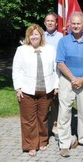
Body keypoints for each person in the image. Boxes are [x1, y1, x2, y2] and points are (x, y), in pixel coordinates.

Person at [12, 24, 59, 157]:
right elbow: (17, 70)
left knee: (43, 117)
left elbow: (56, 69)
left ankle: (43, 140)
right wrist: (18, 88)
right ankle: (31, 145)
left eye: (36, 34)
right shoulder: (21, 50)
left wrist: (56, 85)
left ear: (41, 36)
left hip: (46, 90)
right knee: (28, 119)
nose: (34, 36)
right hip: (27, 90)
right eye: (31, 34)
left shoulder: (50, 49)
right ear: (28, 36)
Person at [56, 12, 83, 157]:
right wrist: (73, 78)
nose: (76, 26)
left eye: (78, 23)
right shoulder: (63, 41)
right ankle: (64, 143)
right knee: (65, 112)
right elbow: (60, 62)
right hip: (67, 80)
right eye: (73, 23)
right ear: (69, 25)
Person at [44, 12, 63, 140]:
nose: (50, 22)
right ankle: (43, 127)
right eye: (48, 20)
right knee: (44, 101)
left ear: (56, 23)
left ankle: (56, 125)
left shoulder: (61, 36)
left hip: (57, 73)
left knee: (56, 101)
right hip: (44, 73)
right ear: (45, 23)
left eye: (52, 21)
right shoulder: (40, 36)